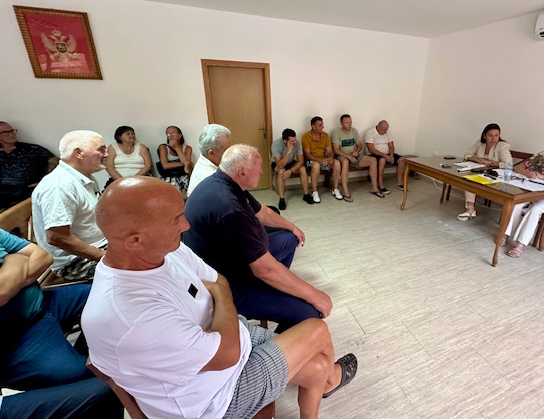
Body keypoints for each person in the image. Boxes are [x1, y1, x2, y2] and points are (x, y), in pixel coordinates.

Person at [82, 176, 357, 419]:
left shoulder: (166, 250)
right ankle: (332, 379)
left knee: (318, 365)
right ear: (134, 240)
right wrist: (222, 296)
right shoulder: (129, 313)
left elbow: (219, 281)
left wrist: (220, 296)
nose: (186, 224)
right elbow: (226, 353)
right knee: (316, 328)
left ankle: (326, 385)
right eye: (176, 220)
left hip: (230, 340)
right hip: (214, 401)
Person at [183, 144, 332, 333]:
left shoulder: (226, 182)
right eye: (259, 167)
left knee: (288, 238)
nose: (262, 171)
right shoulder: (229, 208)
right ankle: (274, 344)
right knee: (309, 311)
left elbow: (262, 212)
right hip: (226, 285)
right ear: (242, 171)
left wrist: (292, 227)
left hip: (235, 260)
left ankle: (276, 286)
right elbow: (264, 269)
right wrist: (315, 295)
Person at [0, 228, 122, 419]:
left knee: (115, 299)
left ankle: (94, 355)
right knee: (83, 378)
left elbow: (43, 257)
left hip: (45, 302)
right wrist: (16, 259)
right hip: (16, 339)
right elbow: (2, 292)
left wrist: (11, 280)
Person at [32, 130, 109, 281]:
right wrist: (105, 256)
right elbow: (57, 237)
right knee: (145, 266)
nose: (106, 155)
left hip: (100, 245)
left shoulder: (83, 178)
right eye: (101, 149)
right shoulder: (59, 186)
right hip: (76, 262)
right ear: (78, 153)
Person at [457, 123, 512, 221]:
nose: (493, 138)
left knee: (472, 180)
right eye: (490, 135)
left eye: (496, 135)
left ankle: (470, 210)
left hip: (494, 175)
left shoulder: (502, 146)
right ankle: (470, 209)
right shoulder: (480, 143)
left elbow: (508, 164)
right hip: (479, 171)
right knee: (469, 179)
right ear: (484, 135)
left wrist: (491, 163)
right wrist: (477, 159)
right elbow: (467, 155)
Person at [0, 122, 59, 209]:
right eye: (6, 133)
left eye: (12, 131)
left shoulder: (32, 149)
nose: (11, 134)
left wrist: (47, 180)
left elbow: (58, 162)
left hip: (28, 191)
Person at [332, 114, 384, 201]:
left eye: (350, 122)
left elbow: (359, 145)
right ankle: (346, 191)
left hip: (354, 155)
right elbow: (336, 150)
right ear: (341, 123)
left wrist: (356, 151)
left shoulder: (354, 131)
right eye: (347, 123)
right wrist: (349, 156)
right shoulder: (337, 132)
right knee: (345, 162)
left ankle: (374, 188)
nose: (349, 124)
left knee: (373, 160)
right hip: (342, 156)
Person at [301, 116, 340, 203]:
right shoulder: (306, 136)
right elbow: (307, 155)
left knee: (337, 163)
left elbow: (330, 151)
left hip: (323, 159)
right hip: (310, 161)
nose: (322, 127)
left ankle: (335, 189)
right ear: (313, 126)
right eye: (320, 125)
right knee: (316, 165)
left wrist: (330, 157)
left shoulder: (325, 135)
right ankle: (314, 192)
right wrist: (320, 160)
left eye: (322, 124)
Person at [271, 128, 312, 209]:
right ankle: (282, 199)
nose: (294, 142)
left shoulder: (297, 143)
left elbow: (301, 161)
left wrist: (291, 171)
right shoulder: (276, 145)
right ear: (285, 141)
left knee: (303, 169)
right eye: (292, 141)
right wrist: (288, 152)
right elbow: (280, 165)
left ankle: (306, 194)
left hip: (290, 162)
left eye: (295, 140)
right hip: (278, 163)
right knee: (281, 171)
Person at [187, 123, 232, 197]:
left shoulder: (204, 159)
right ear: (211, 153)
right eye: (226, 150)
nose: (230, 153)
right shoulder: (211, 178)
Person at [365, 120, 406, 193]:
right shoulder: (370, 132)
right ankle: (380, 185)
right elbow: (371, 149)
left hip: (387, 153)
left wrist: (391, 155)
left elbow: (391, 146)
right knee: (382, 160)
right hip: (374, 154)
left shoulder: (388, 132)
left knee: (402, 159)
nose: (385, 131)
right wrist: (385, 156)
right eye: (383, 130)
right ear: (378, 127)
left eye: (386, 130)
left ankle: (399, 183)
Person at [157, 125, 193, 197]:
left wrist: (176, 148)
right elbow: (165, 165)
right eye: (168, 134)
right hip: (169, 175)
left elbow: (188, 167)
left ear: (180, 135)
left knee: (192, 187)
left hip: (184, 175)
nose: (170, 135)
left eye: (173, 133)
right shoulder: (163, 147)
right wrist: (184, 163)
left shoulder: (187, 148)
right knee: (172, 190)